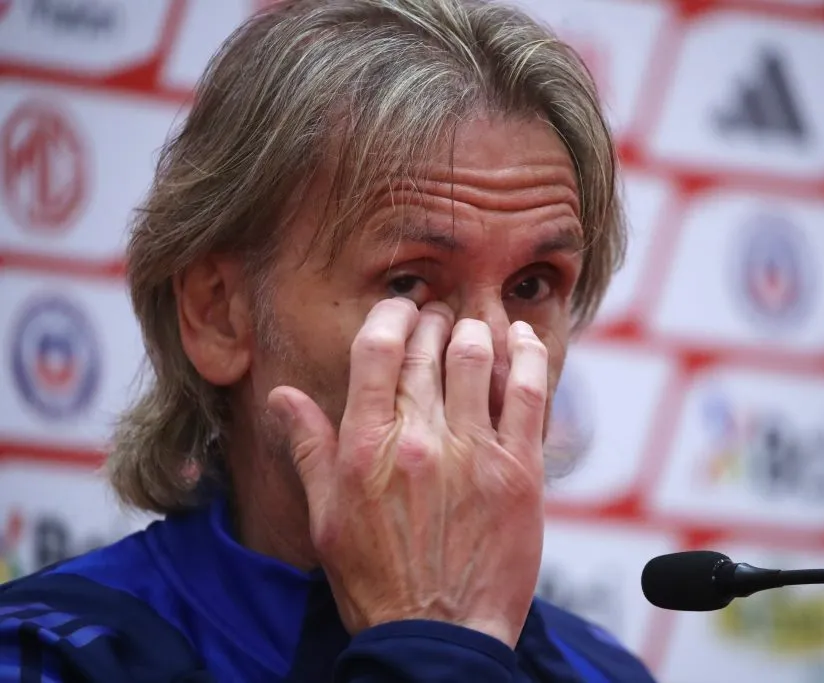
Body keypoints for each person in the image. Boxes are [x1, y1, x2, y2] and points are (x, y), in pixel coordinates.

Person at [0, 0, 658, 680]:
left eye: (530, 286)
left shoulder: (603, 671)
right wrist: (431, 640)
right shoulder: (47, 655)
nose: (488, 352)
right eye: (407, 282)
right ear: (219, 314)